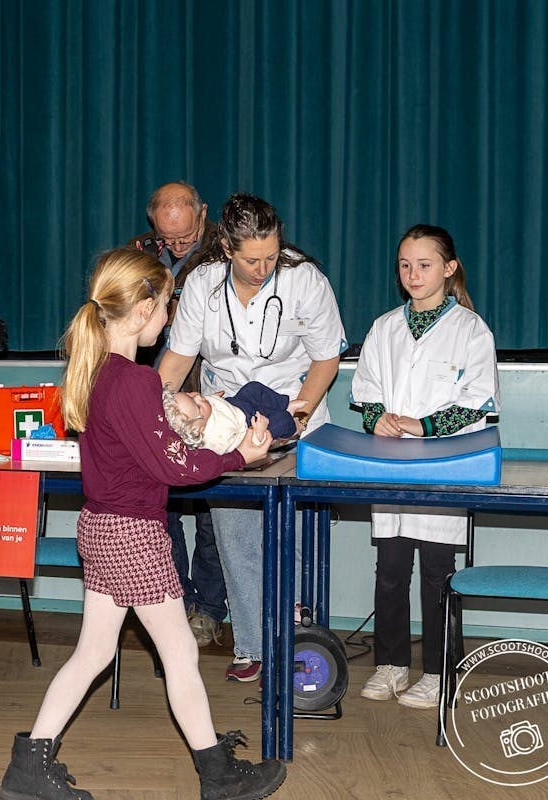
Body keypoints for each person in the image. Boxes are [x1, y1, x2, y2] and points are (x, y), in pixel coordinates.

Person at [0, 248, 285, 800]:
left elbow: (154, 454)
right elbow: (173, 467)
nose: (170, 317)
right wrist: (239, 456)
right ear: (145, 309)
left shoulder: (98, 373)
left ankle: (28, 768)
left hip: (101, 528)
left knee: (94, 653)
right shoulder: (134, 381)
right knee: (179, 653)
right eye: (168, 305)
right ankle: (218, 777)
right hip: (133, 534)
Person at [159, 193, 346, 683]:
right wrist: (151, 409)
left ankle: (299, 644)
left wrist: (298, 414)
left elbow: (326, 357)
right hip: (227, 425)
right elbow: (179, 357)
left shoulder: (305, 280)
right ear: (226, 247)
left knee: (294, 538)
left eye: (271, 257)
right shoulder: (202, 283)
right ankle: (253, 646)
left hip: (296, 416)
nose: (263, 268)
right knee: (235, 534)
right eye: (251, 260)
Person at [351, 225, 499, 709]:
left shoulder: (471, 331)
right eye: (405, 265)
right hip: (391, 467)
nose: (413, 274)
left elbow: (477, 402)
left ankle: (439, 670)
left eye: (425, 265)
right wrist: (377, 418)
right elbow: (366, 390)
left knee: (438, 573)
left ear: (449, 268)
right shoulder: (384, 327)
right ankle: (391, 664)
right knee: (390, 570)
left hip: (443, 466)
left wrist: (423, 426)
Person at [128, 181, 227, 648]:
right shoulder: (139, 253)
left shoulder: (227, 252)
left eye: (186, 236)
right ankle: (174, 601)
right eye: (168, 238)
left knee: (211, 513)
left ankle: (208, 609)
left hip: (208, 398)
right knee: (159, 508)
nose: (178, 245)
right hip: (155, 394)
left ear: (203, 213)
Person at [163, 382, 301, 453]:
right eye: (198, 406)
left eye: (189, 394)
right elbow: (241, 448)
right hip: (249, 426)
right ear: (199, 430)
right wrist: (258, 434)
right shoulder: (217, 439)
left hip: (236, 404)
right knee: (281, 421)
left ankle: (284, 404)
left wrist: (214, 400)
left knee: (252, 388)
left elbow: (202, 402)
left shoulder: (200, 411)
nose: (198, 396)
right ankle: (293, 428)